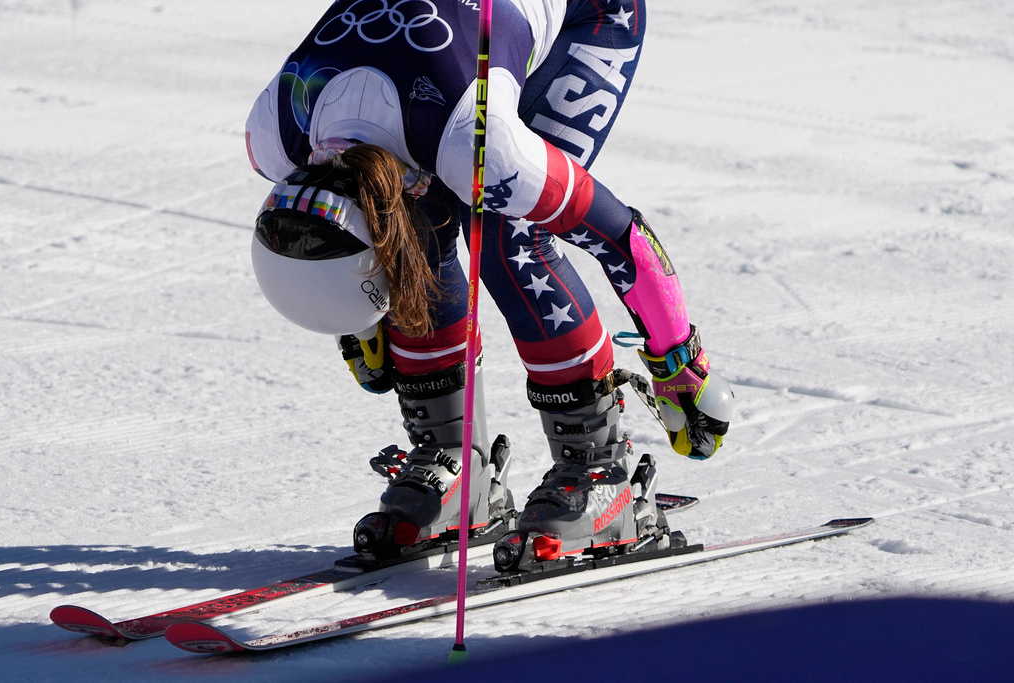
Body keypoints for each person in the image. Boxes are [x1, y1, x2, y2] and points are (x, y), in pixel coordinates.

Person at [245, 0, 734, 572]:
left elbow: (623, 238)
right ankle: (456, 457)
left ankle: (599, 469)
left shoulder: (482, 149)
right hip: (445, 70)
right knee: (415, 225)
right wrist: (362, 320)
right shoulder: (274, 138)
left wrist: (681, 362)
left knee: (510, 237)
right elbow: (350, 230)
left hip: (590, 12)